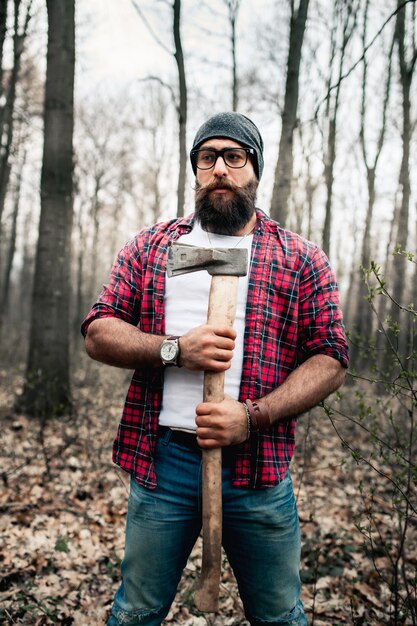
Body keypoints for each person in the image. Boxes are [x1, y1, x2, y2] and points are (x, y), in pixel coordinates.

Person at [81, 111, 349, 626]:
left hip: (258, 470)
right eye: (208, 157)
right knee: (136, 612)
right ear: (196, 170)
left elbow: (331, 358)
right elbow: (98, 329)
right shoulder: (152, 247)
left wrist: (252, 417)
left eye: (234, 156)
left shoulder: (300, 258)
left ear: (255, 170)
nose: (220, 168)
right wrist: (174, 350)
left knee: (279, 616)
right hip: (166, 465)